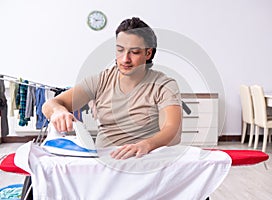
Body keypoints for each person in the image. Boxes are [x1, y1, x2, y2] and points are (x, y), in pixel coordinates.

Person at [42, 17, 182, 160]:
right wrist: (58, 111)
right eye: (120, 50)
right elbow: (50, 105)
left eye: (134, 52)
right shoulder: (100, 80)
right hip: (105, 159)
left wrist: (146, 145)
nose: (125, 59)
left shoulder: (163, 85)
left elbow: (171, 129)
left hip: (144, 159)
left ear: (148, 53)